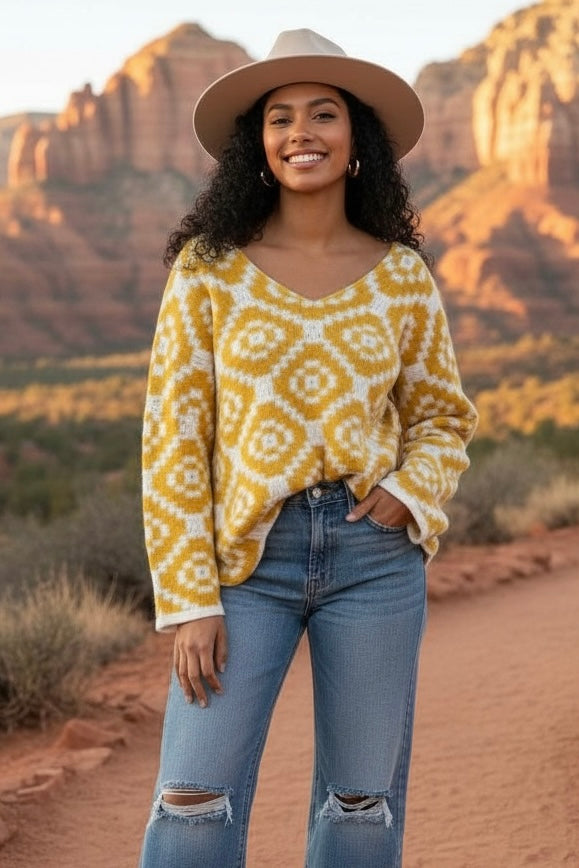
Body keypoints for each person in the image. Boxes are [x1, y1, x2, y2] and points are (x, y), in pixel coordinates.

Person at [139, 28, 478, 868]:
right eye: (280, 117)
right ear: (256, 145)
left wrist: (411, 489)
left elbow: (442, 416)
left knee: (360, 804)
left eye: (323, 114)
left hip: (373, 561)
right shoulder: (209, 269)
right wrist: (188, 599)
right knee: (192, 797)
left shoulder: (400, 273)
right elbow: (173, 435)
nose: (302, 132)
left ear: (356, 139)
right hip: (241, 564)